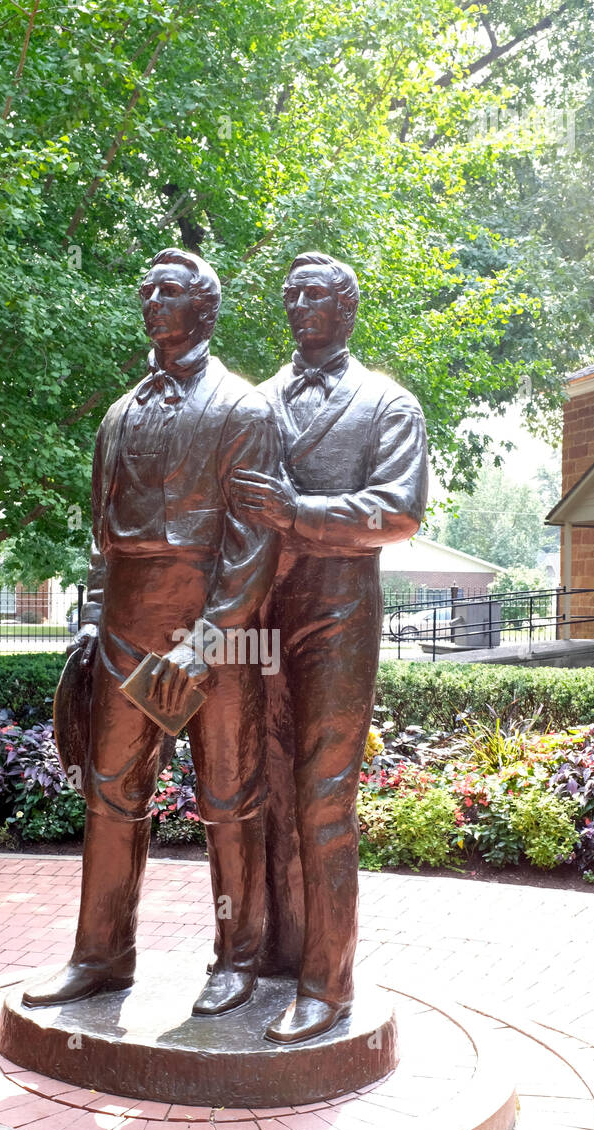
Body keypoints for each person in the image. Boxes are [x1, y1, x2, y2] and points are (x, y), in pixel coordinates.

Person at [23, 248, 280, 1017]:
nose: (152, 301)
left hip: (216, 632)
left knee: (228, 796)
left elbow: (253, 545)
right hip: (127, 623)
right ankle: (101, 954)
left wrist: (205, 644)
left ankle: (238, 957)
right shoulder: (118, 413)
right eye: (146, 290)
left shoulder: (243, 408)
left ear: (205, 310)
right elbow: (104, 544)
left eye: (168, 290)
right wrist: (93, 625)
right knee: (109, 795)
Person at [231, 252, 428, 1043]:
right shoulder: (256, 403)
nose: (300, 305)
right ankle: (272, 953)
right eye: (291, 294)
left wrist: (298, 511)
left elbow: (399, 511)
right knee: (264, 788)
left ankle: (328, 983)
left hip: (339, 611)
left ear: (347, 308)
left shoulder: (388, 403)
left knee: (323, 799)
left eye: (317, 293)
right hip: (260, 612)